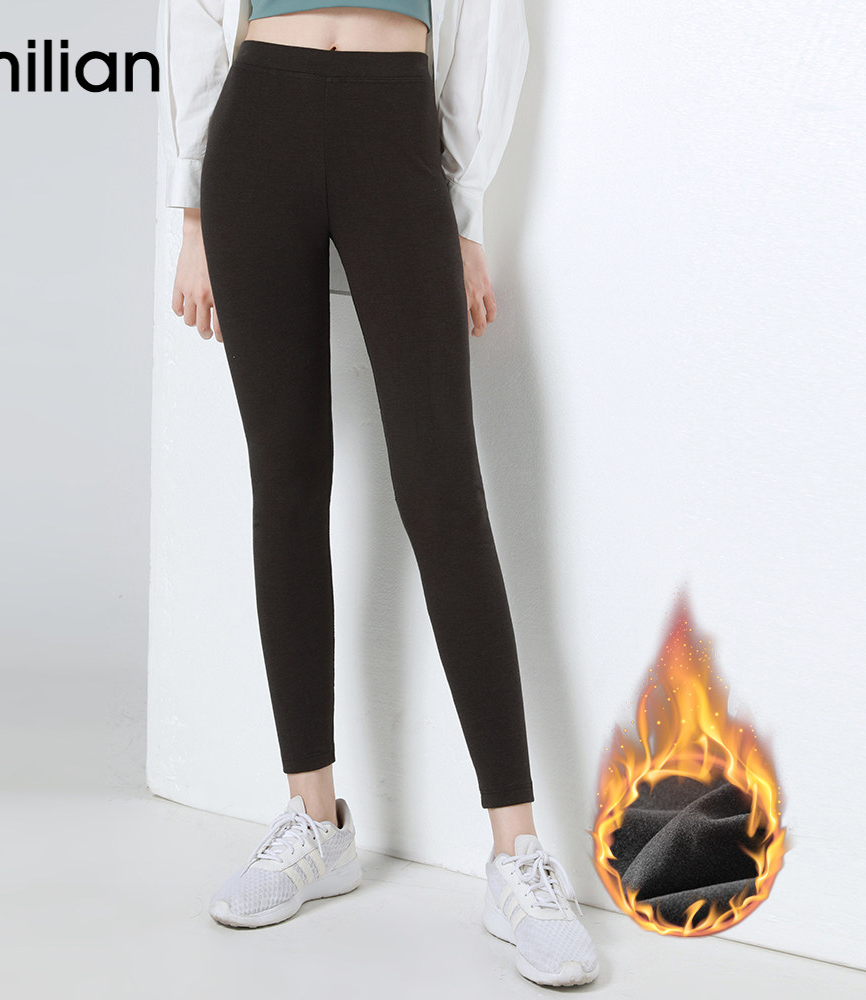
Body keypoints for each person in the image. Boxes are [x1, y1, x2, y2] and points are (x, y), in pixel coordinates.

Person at [157, 0, 600, 987]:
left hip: (394, 125)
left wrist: (465, 211)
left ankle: (517, 853)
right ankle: (314, 820)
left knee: (442, 487)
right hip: (258, 119)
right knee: (284, 476)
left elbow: (492, 25)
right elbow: (192, 12)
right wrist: (189, 206)